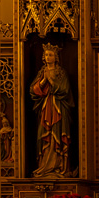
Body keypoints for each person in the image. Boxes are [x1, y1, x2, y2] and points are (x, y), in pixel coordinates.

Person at [30, 43, 74, 178]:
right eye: (46, 55)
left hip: (59, 109)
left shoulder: (61, 73)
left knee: (59, 134)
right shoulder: (41, 72)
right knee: (44, 135)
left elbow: (65, 90)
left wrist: (52, 82)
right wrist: (43, 82)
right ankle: (44, 166)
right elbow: (33, 90)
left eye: (51, 55)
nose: (48, 57)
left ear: (56, 57)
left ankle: (60, 166)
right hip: (45, 108)